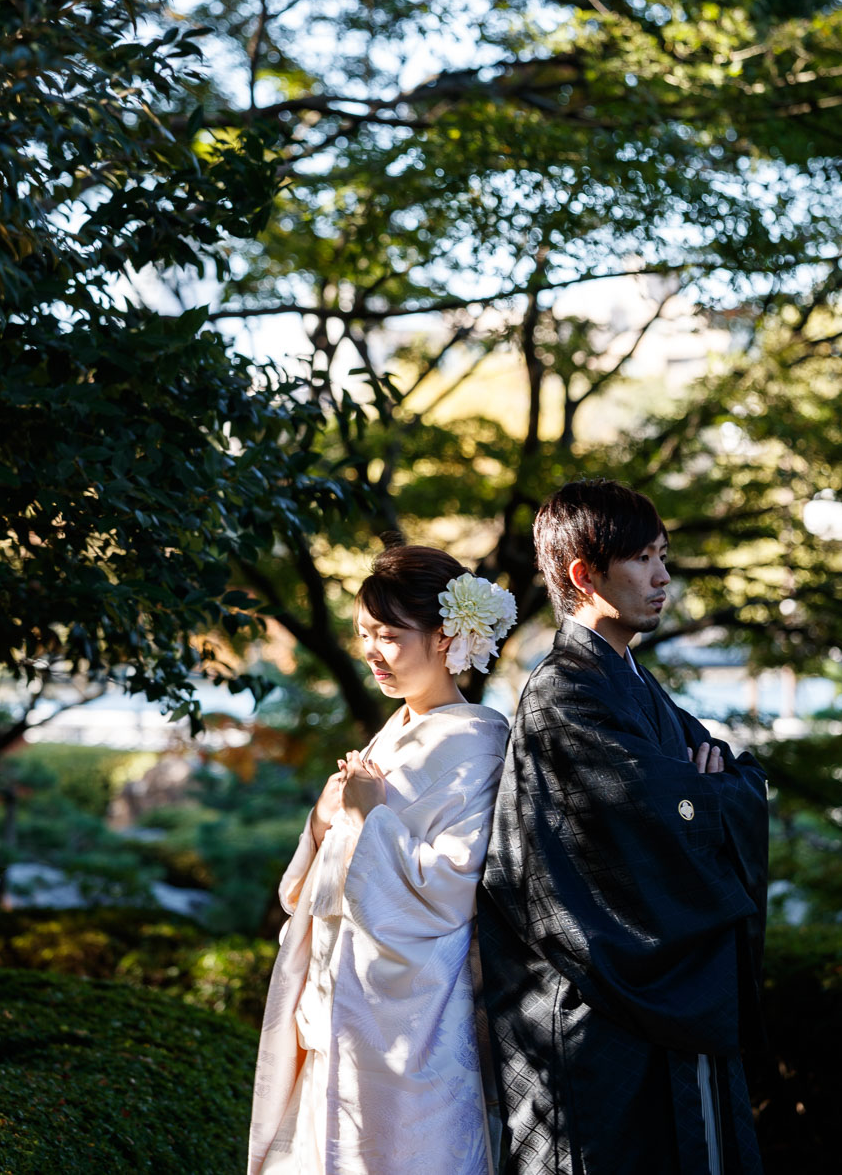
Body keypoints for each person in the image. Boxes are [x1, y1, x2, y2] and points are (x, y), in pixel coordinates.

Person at [479, 479, 769, 1175]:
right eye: (643, 558)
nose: (663, 576)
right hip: (595, 1007)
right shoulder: (562, 693)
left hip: (650, 992)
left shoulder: (634, 683)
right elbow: (656, 813)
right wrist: (703, 788)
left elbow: (740, 783)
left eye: (663, 555)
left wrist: (708, 789)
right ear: (584, 575)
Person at [247, 541, 515, 1175]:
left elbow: (451, 889)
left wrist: (368, 815)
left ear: (448, 639)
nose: (372, 651)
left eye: (390, 636)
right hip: (339, 993)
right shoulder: (392, 730)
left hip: (409, 1012)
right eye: (366, 633)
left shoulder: (479, 744)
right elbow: (318, 881)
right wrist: (321, 818)